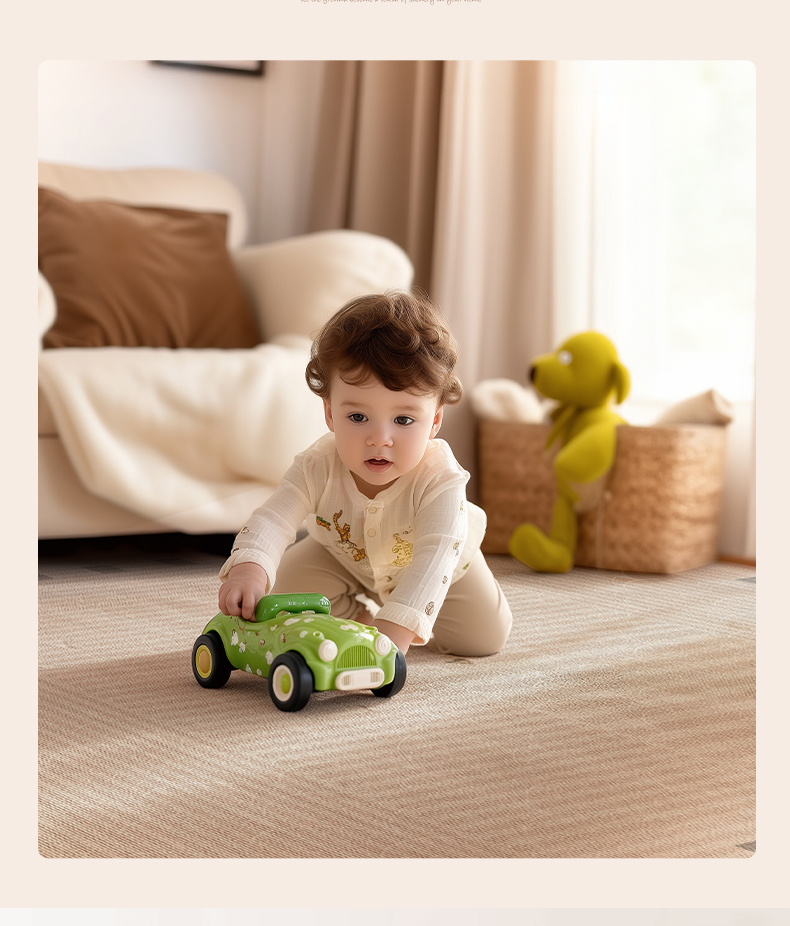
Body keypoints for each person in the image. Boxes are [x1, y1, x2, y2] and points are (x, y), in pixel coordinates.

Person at [218, 290, 512, 657]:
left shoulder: (441, 480)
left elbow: (434, 558)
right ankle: (357, 615)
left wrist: (393, 633)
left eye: (403, 420)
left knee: (482, 639)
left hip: (441, 569)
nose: (379, 439)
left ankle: (394, 617)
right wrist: (250, 567)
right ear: (330, 413)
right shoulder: (316, 465)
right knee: (283, 598)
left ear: (435, 420)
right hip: (343, 558)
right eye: (358, 417)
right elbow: (275, 518)